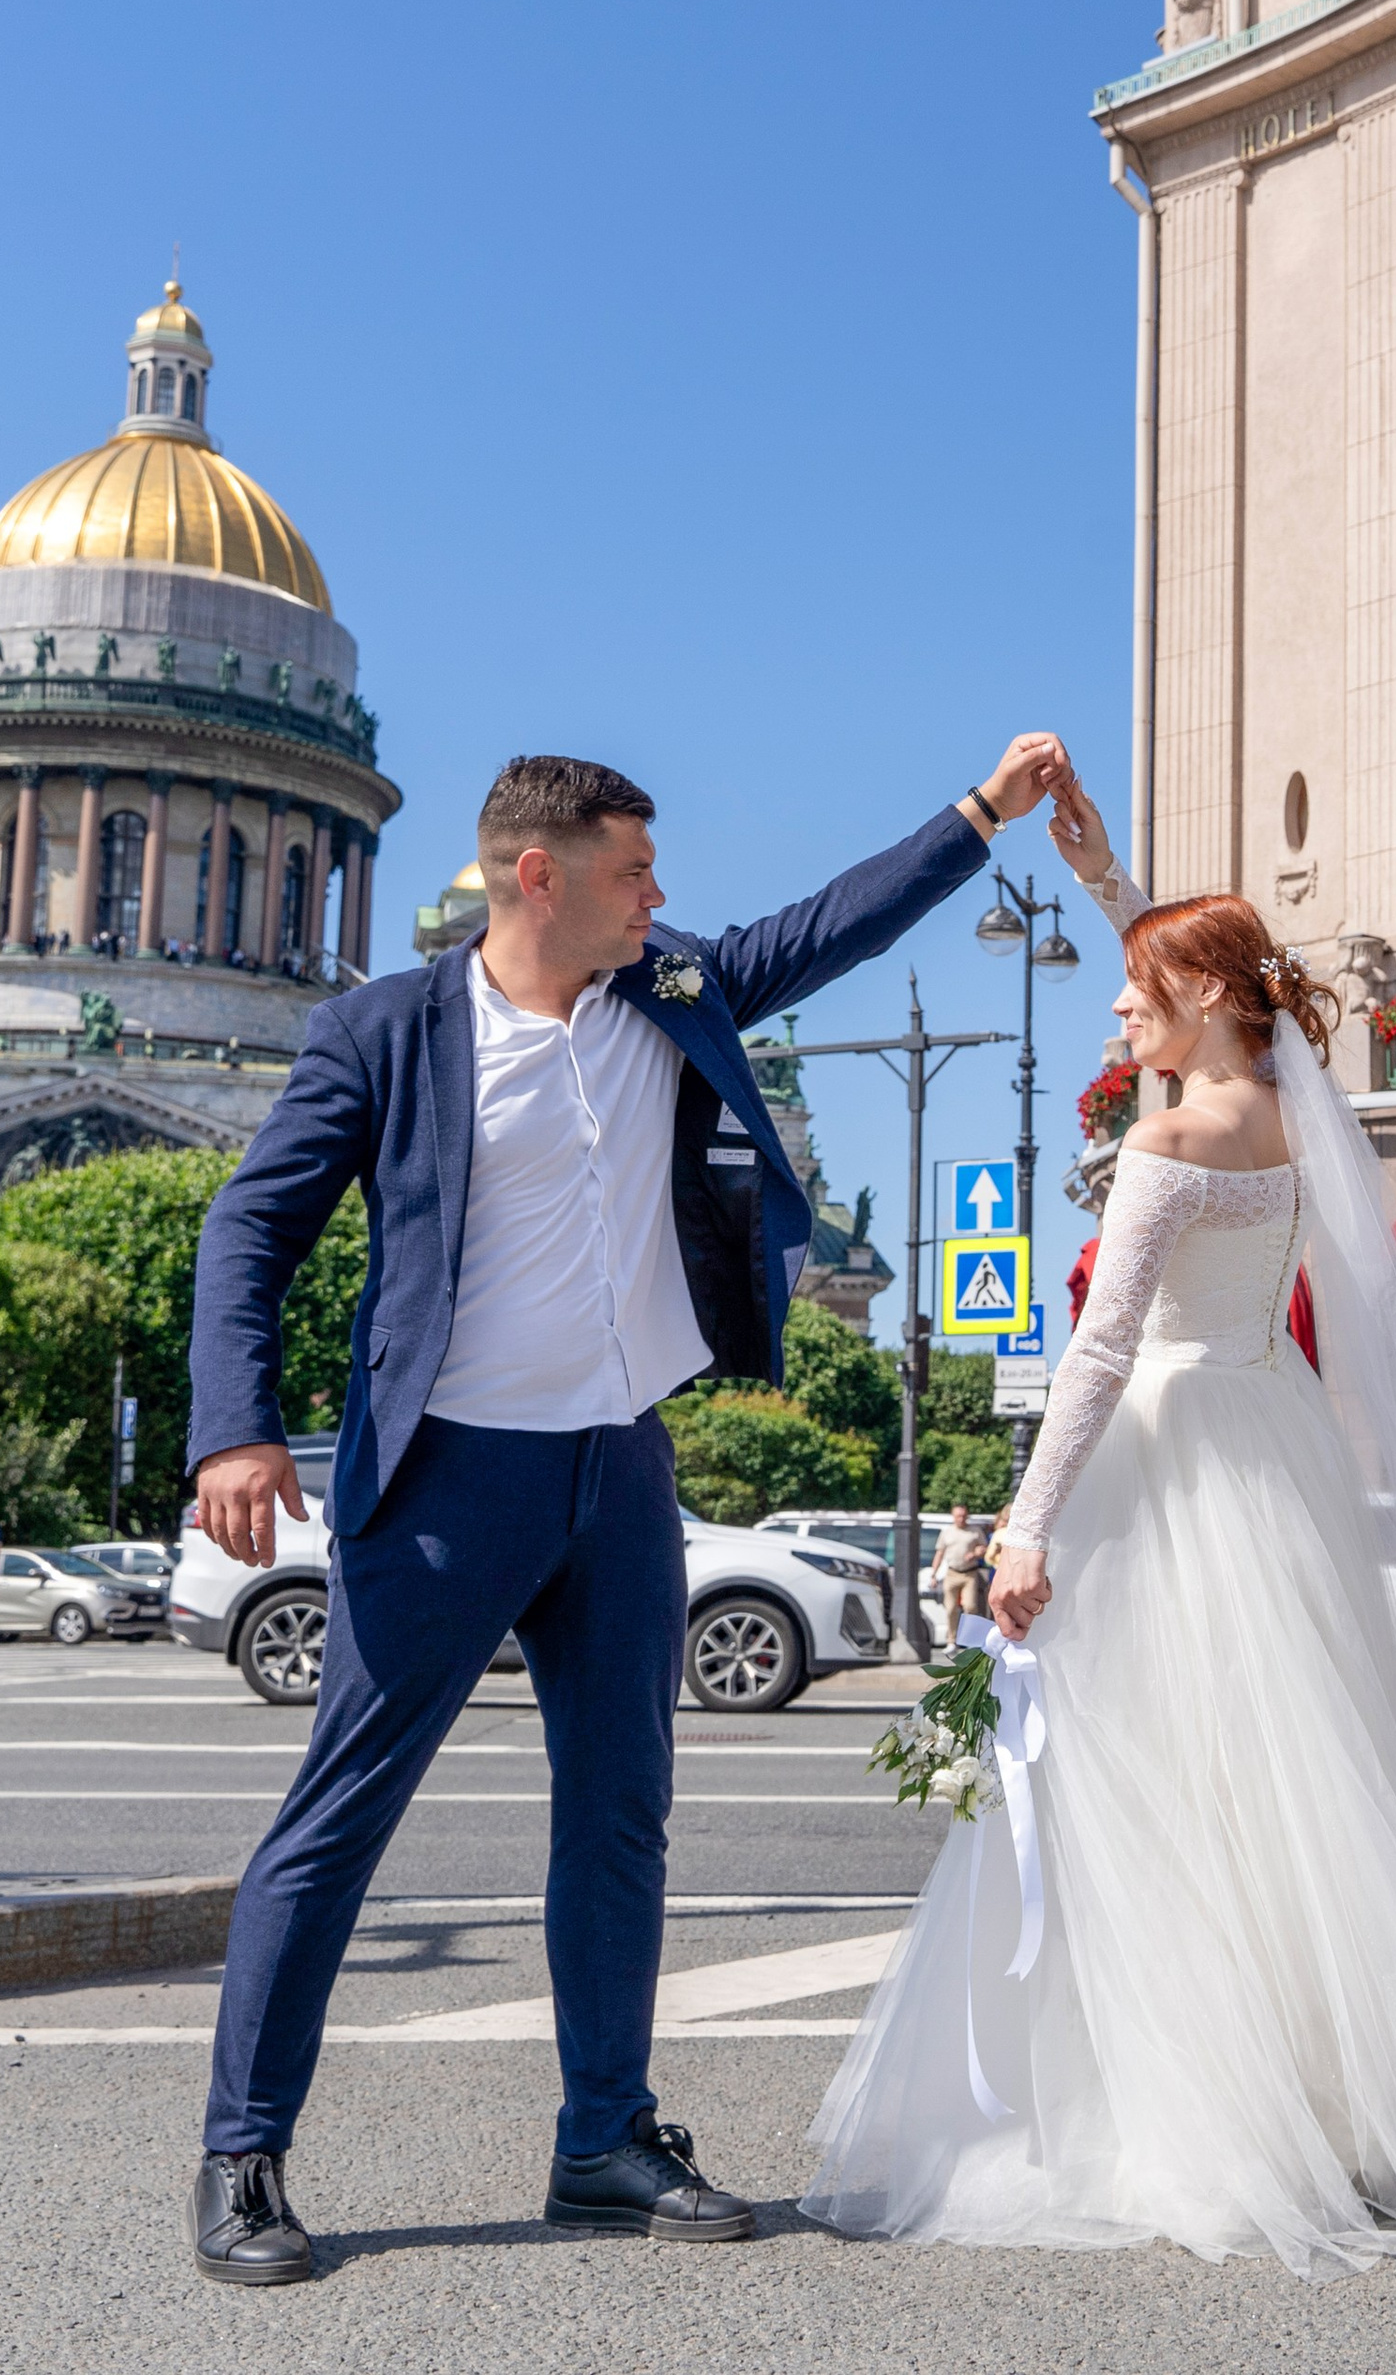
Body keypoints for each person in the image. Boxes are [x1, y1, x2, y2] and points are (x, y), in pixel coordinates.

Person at [181, 737, 1072, 2285]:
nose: (663, 897)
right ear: (542, 876)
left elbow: (831, 926)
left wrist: (981, 815)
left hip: (620, 1472)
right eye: (637, 872)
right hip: (452, 1478)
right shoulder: (384, 1034)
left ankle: (604, 2137)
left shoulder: (671, 995)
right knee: (341, 1818)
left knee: (620, 1820)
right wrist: (235, 1431)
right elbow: (250, 1226)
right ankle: (243, 2156)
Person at [801, 774, 1396, 2282]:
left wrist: (1023, 1533)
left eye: (1134, 996)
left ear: (1205, 998)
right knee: (1286, 1783)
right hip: (1268, 1440)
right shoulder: (1290, 1109)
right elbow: (1206, 1006)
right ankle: (1328, 2095)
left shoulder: (1169, 1150)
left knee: (1151, 1785)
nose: (1114, 1016)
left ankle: (1184, 2109)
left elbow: (1099, 1352)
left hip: (1166, 1456)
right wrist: (1115, 888)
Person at [931, 1504, 992, 1643]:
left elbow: (984, 1548)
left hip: (969, 1573)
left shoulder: (974, 1531)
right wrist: (933, 1574)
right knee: (950, 1608)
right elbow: (939, 1553)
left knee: (970, 1606)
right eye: (958, 1516)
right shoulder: (947, 1532)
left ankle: (969, 1640)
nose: (961, 1519)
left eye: (964, 1516)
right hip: (952, 1573)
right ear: (953, 1516)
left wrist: (976, 1553)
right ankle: (951, 1640)